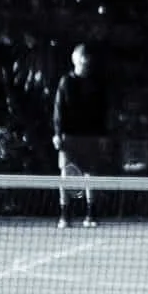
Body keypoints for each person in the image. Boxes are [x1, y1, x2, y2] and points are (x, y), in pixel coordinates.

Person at [53, 44, 109, 228]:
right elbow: (59, 110)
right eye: (81, 58)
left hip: (91, 136)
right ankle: (64, 215)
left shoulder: (96, 83)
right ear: (75, 60)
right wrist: (58, 134)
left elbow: (102, 111)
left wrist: (102, 135)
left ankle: (90, 215)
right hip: (69, 137)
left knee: (90, 175)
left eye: (87, 58)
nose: (85, 61)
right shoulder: (66, 82)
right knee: (66, 174)